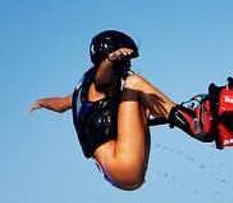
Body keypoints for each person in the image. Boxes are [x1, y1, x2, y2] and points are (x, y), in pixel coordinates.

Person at [30, 30, 182, 191]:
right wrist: (111, 59)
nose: (128, 66)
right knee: (134, 83)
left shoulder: (82, 92)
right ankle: (191, 120)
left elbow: (61, 104)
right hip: (123, 162)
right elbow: (102, 78)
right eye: (126, 61)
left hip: (115, 172)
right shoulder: (99, 85)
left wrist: (41, 102)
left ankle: (183, 116)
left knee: (139, 101)